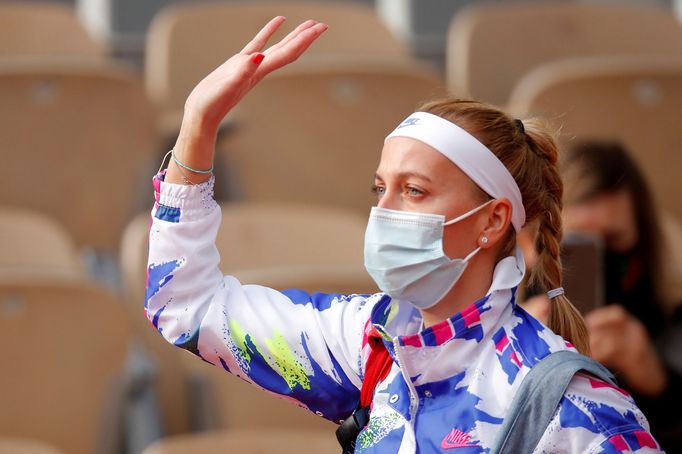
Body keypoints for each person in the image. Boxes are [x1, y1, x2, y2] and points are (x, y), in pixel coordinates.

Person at [145, 17, 661, 452]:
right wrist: (198, 126)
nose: (384, 210)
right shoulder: (367, 340)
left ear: (492, 220)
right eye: (379, 189)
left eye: (413, 191)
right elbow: (185, 305)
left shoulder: (577, 409)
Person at [559, 141, 682, 451]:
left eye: (613, 240)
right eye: (578, 246)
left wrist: (658, 381)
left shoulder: (672, 311)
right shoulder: (512, 311)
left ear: (642, 235)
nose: (600, 263)